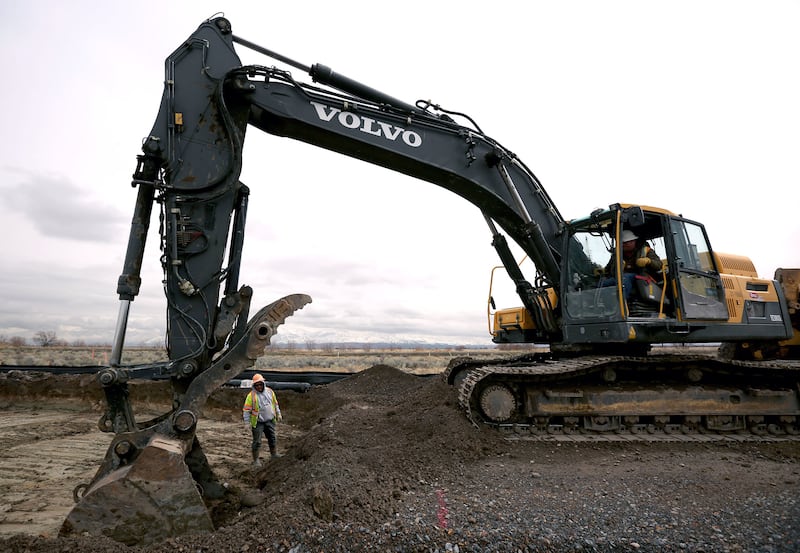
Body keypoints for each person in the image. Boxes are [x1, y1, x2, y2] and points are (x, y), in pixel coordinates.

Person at [602, 229, 663, 301]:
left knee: (625, 278)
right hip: (620, 278)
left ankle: (622, 303)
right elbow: (608, 269)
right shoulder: (617, 254)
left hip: (642, 278)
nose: (624, 244)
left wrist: (649, 261)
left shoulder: (646, 250)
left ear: (634, 241)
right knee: (602, 283)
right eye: (623, 243)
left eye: (627, 242)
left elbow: (659, 265)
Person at [242, 373, 283, 467]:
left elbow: (275, 404)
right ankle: (256, 460)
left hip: (269, 420)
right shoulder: (251, 396)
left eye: (260, 384)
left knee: (272, 438)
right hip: (258, 422)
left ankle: (274, 454)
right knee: (257, 442)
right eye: (256, 385)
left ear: (263, 384)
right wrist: (247, 423)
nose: (259, 387)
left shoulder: (270, 392)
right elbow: (246, 410)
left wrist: (278, 413)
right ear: (254, 385)